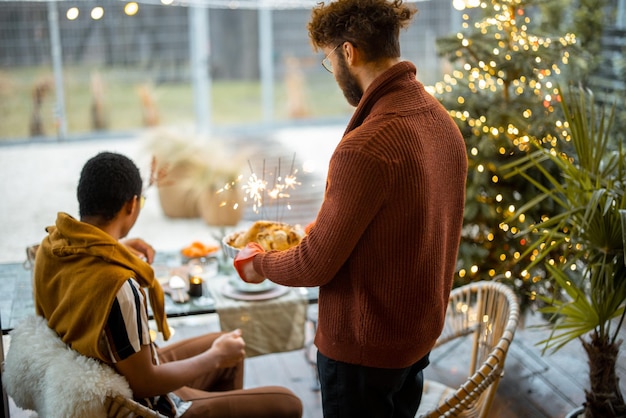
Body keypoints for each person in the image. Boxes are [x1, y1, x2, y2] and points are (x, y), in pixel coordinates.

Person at [234, 1, 468, 417]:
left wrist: (259, 263)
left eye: (329, 61)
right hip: (413, 342)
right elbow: (406, 225)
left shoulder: (365, 147)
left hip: (363, 355)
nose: (335, 72)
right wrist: (331, 226)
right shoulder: (440, 121)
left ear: (348, 52)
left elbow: (314, 266)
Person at [33, 151, 303, 418]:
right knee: (288, 402)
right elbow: (144, 383)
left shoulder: (51, 246)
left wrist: (115, 248)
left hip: (108, 368)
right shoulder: (119, 286)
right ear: (132, 205)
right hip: (142, 404)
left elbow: (81, 272)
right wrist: (215, 358)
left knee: (226, 343)